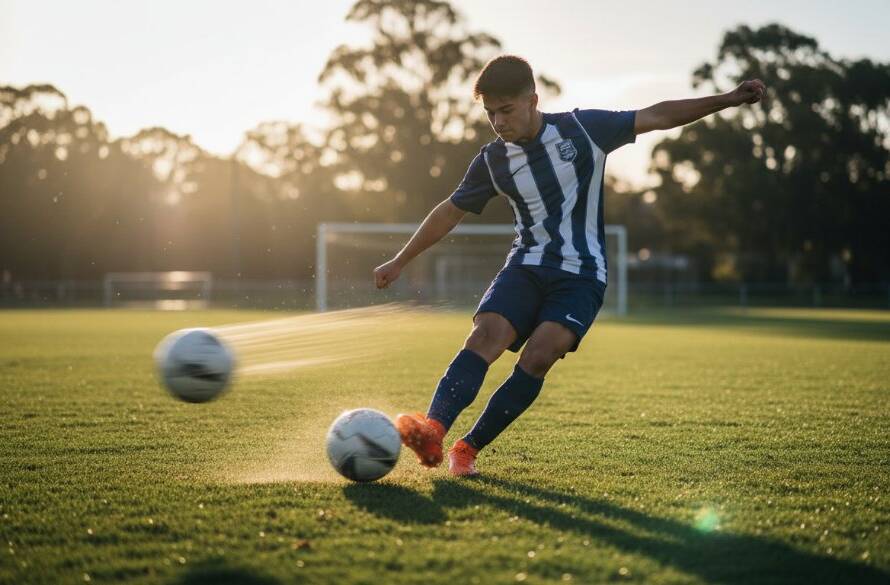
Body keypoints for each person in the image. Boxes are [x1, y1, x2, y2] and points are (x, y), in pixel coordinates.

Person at [373, 55, 765, 477]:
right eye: (490, 113)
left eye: (506, 110)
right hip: (525, 264)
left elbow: (656, 115)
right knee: (488, 334)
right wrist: (401, 260)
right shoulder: (492, 161)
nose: (498, 122)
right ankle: (433, 429)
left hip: (582, 273)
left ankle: (468, 447)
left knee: (542, 353)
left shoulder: (583, 130)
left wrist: (726, 99)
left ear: (532, 100)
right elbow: (450, 211)